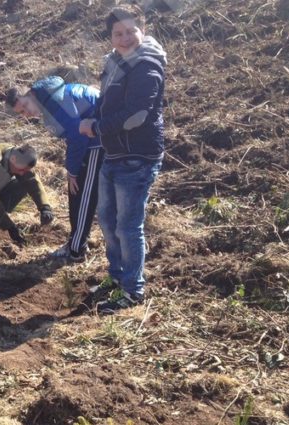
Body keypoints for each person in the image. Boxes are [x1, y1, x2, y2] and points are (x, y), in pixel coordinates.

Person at [79, 5, 167, 314]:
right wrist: (93, 121)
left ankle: (132, 290)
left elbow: (137, 115)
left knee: (128, 226)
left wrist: (98, 128)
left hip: (137, 155)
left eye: (131, 31)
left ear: (143, 30)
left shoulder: (146, 66)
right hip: (114, 152)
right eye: (119, 33)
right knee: (107, 219)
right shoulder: (116, 62)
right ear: (111, 36)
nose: (126, 37)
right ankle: (116, 277)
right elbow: (106, 103)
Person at [6, 76, 102, 262]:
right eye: (21, 113)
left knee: (83, 195)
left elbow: (79, 137)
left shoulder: (56, 102)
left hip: (97, 144)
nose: (27, 113)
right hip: (90, 143)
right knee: (76, 192)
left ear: (31, 94)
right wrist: (71, 170)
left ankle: (77, 251)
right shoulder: (51, 99)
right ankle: (76, 242)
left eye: (25, 106)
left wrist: (72, 171)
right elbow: (74, 137)